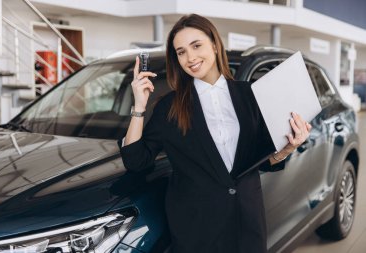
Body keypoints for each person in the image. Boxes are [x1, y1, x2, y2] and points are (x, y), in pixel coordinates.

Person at [118, 13, 311, 253]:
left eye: (196, 45)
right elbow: (136, 161)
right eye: (181, 52)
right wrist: (138, 107)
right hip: (197, 228)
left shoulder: (250, 95)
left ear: (215, 45)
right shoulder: (170, 106)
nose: (190, 57)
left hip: (247, 221)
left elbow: (260, 160)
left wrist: (289, 147)